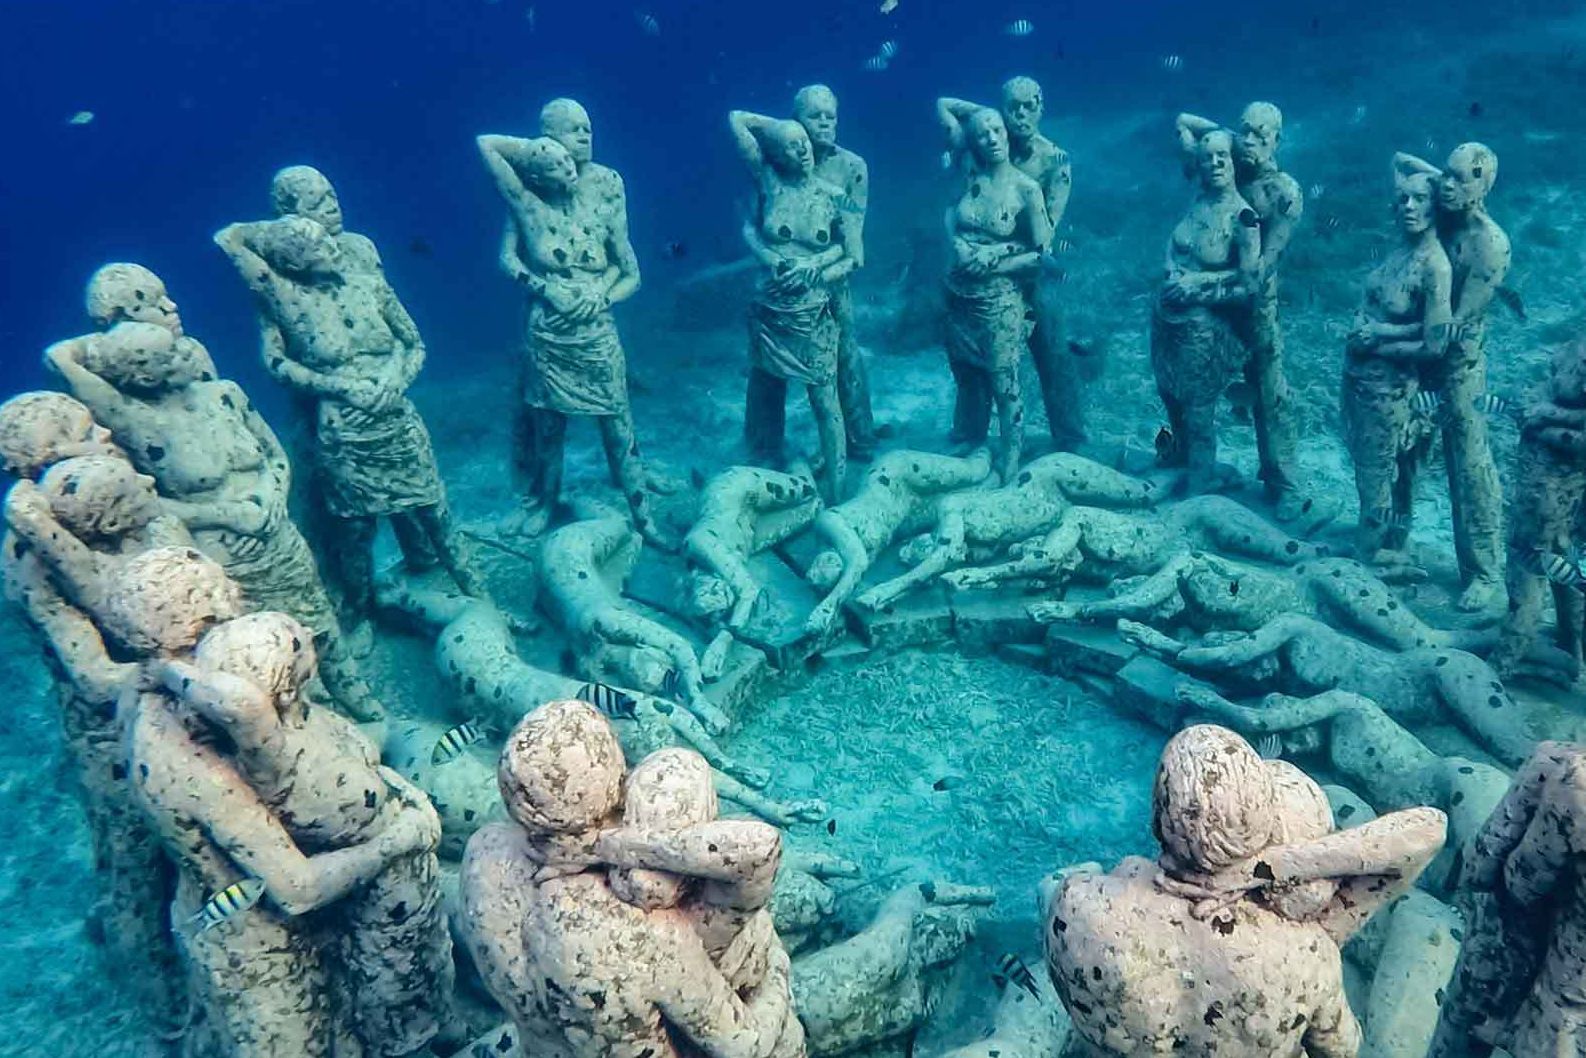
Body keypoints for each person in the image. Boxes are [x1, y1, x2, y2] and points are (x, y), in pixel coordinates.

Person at [46, 316, 381, 721]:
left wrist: (271, 495)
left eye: (174, 346)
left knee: (319, 618)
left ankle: (366, 705)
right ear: (139, 375)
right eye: (163, 356)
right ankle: (322, 721)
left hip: (279, 539)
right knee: (268, 648)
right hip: (230, 560)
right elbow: (59, 358)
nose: (182, 354)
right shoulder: (135, 422)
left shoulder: (225, 395)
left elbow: (275, 455)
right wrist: (228, 515)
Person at [1046, 725, 1446, 1055]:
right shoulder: (1307, 952)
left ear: (1157, 812)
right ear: (1267, 828)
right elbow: (1429, 829)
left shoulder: (1076, 909)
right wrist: (1270, 867)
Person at [459, 699, 796, 1058]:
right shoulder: (645, 933)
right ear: (620, 778)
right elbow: (742, 1046)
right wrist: (777, 976)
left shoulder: (484, 855)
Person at [213, 214, 485, 627]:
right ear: (294, 262)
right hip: (343, 431)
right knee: (356, 530)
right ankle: (361, 612)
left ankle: (479, 595)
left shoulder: (369, 284)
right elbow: (275, 362)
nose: (332, 247)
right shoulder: (283, 300)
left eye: (326, 238)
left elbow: (413, 344)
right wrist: (339, 387)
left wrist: (396, 379)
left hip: (396, 420)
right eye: (318, 246)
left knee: (435, 510)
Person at [480, 104, 668, 546]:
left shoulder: (607, 184)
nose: (586, 136)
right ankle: (544, 502)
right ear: (547, 136)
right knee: (548, 425)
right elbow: (507, 258)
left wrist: (599, 295)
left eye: (589, 128)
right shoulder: (527, 193)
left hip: (596, 328)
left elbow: (630, 270)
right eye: (574, 131)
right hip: (548, 329)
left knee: (616, 421)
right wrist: (547, 289)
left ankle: (643, 514)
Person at [729, 110, 857, 504]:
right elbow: (736, 120)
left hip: (814, 312)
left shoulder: (836, 197)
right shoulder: (767, 183)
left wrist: (815, 264)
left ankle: (837, 492)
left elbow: (852, 254)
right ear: (776, 155)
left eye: (804, 143)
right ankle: (768, 471)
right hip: (770, 310)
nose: (801, 150)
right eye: (790, 147)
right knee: (769, 389)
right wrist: (768, 257)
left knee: (824, 398)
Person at [1342, 153, 1453, 569]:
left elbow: (1435, 343)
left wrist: (1378, 337)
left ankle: (1369, 556)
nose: (1408, 206)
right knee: (1378, 470)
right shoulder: (1401, 247)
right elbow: (1399, 160)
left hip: (1391, 390)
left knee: (1380, 474)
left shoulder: (1434, 265)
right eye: (1403, 199)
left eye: (1421, 200)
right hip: (1362, 381)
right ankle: (1390, 543)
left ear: (1436, 204)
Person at [935, 103, 1052, 482]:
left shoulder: (1027, 188)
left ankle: (1011, 453)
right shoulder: (968, 172)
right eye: (982, 133)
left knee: (1004, 380)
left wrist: (996, 257)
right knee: (967, 375)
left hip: (1001, 299)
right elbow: (944, 105)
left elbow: (1041, 254)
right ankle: (972, 441)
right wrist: (958, 248)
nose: (991, 139)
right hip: (959, 296)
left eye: (998, 130)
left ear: (1008, 133)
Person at [1151, 123, 1259, 494]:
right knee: (1170, 395)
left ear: (1235, 162)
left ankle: (1201, 482)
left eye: (1223, 157)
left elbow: (1248, 285)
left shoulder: (1243, 217)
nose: (1214, 163)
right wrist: (1170, 271)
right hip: (1168, 324)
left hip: (1205, 330)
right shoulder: (1198, 201)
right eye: (1207, 157)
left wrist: (1196, 285)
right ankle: (1179, 459)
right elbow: (1181, 120)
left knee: (1199, 409)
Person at [1433, 142, 1512, 612]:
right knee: (1406, 455)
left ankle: (1484, 572)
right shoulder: (1442, 211)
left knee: (1469, 465)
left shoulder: (1490, 245)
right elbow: (1403, 163)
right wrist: (1445, 181)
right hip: (1420, 353)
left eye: (1461, 178)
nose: (1446, 184)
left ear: (1484, 186)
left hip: (1459, 363)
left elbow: (1456, 323)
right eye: (1445, 173)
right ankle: (1393, 549)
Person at [1491, 339, 1586, 680]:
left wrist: (1546, 417)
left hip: (1551, 488)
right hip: (1558, 488)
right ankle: (1570, 651)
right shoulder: (1576, 345)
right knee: (1565, 560)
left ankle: (1504, 662)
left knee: (1527, 563)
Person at [792, 85, 877, 460]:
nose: (825, 123)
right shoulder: (779, 161)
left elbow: (853, 242)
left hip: (830, 279)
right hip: (781, 284)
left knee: (845, 353)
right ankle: (762, 445)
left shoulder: (851, 167)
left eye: (831, 115)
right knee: (769, 368)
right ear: (797, 120)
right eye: (815, 116)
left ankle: (860, 438)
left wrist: (819, 269)